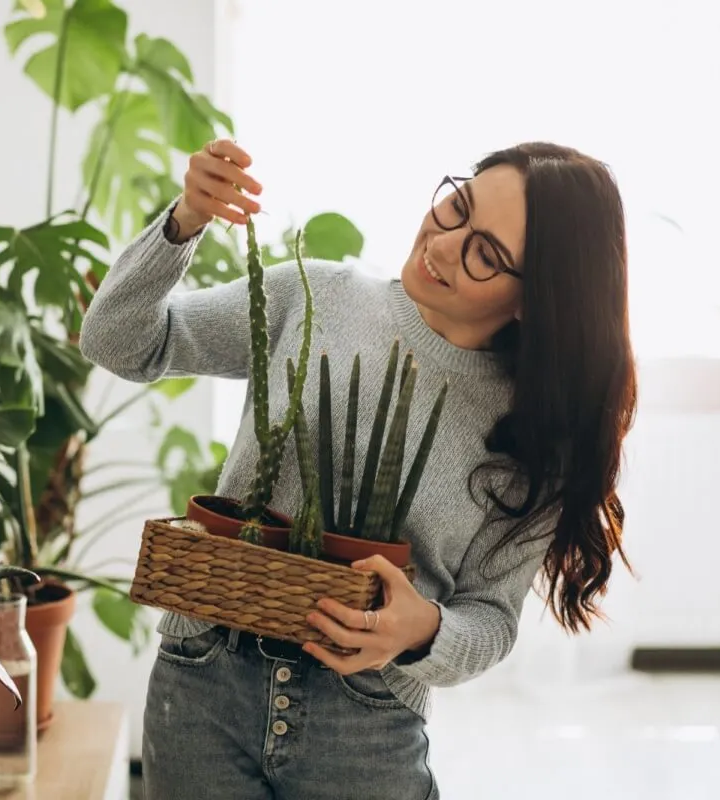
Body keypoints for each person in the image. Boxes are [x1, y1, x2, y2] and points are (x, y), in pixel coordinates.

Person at [79, 139, 636, 800]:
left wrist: (422, 630)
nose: (445, 241)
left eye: (486, 253)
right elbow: (119, 340)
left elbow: (491, 617)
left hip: (365, 722)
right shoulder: (316, 296)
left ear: (534, 299)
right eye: (456, 207)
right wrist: (184, 222)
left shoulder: (538, 434)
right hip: (205, 680)